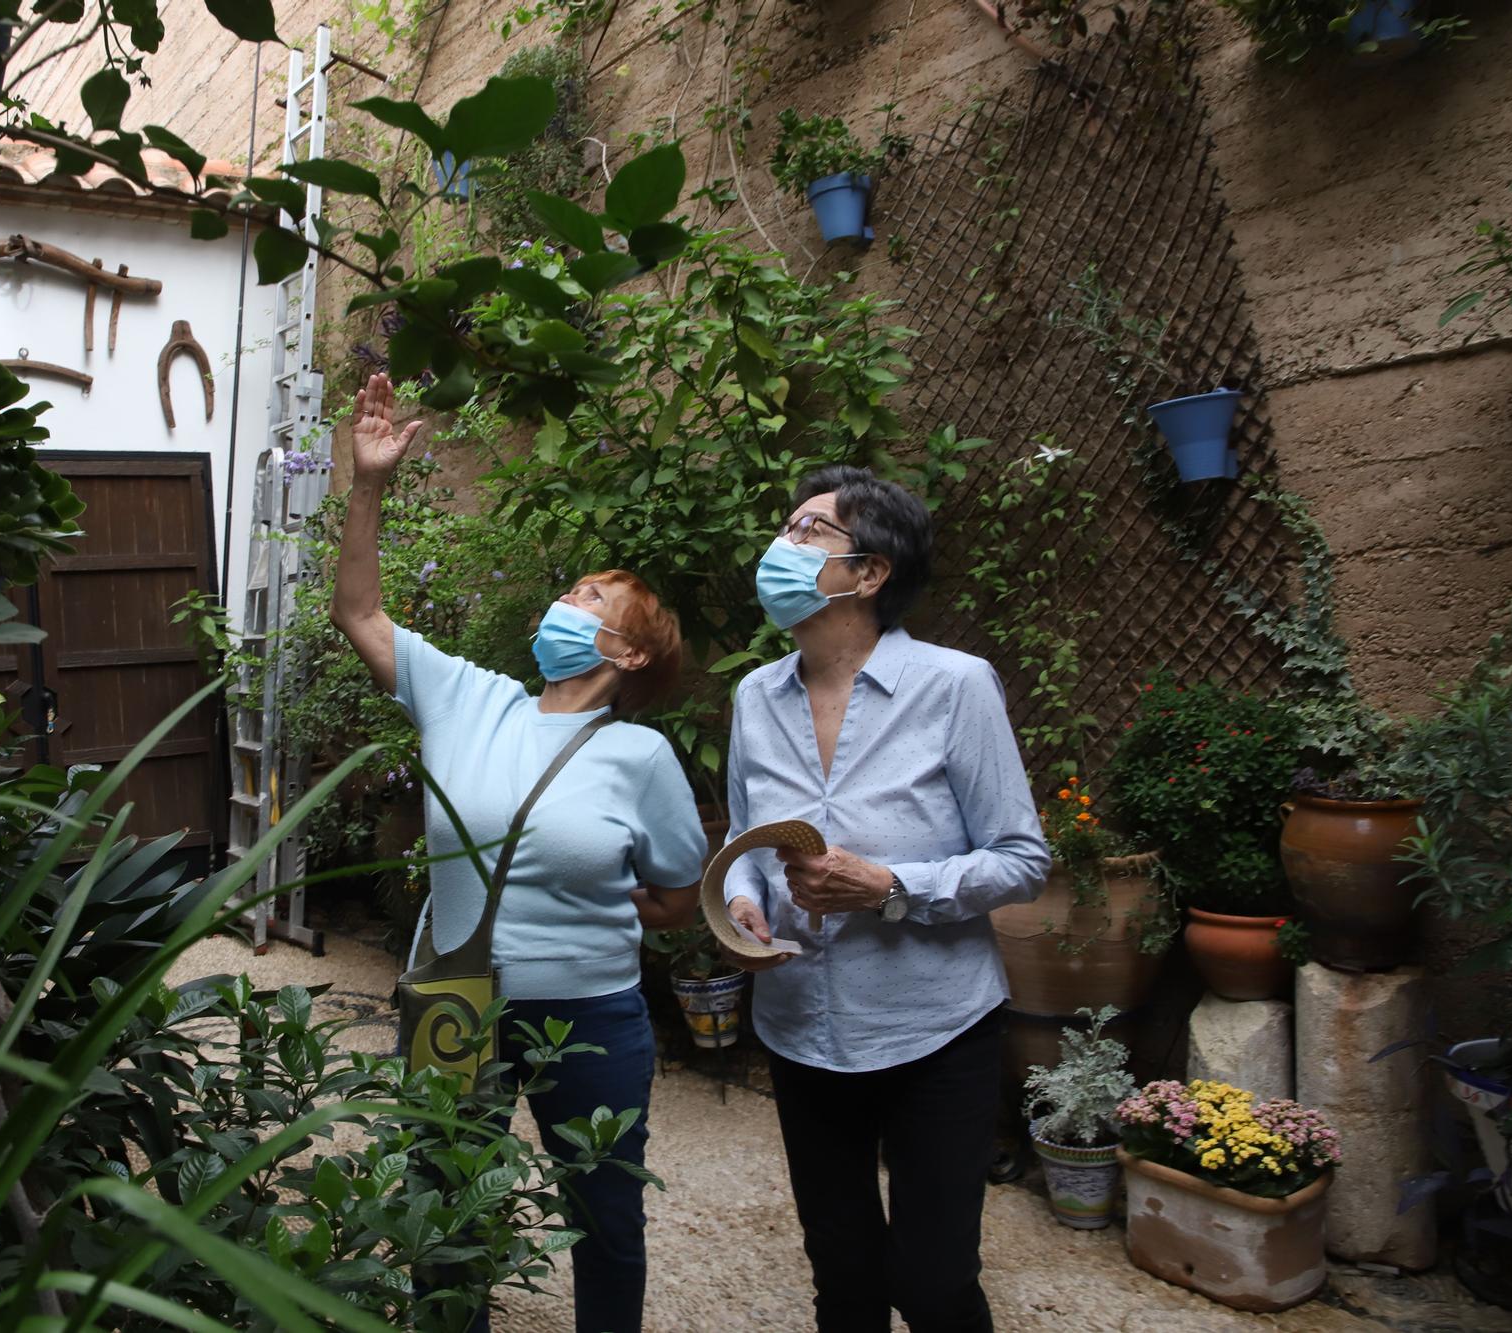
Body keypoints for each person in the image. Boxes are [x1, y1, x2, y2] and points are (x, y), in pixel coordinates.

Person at [330, 373, 707, 1333]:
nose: (564, 602)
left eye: (591, 599)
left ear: (629, 655)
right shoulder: (469, 697)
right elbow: (361, 615)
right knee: (445, 1208)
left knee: (603, 1219)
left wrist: (583, 916)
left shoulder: (642, 754)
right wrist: (367, 483)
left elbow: (676, 894)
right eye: (571, 588)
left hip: (593, 1016)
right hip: (453, 997)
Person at [720, 463, 1050, 1333]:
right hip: (800, 1024)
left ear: (870, 573)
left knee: (936, 1282)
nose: (779, 547)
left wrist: (894, 885)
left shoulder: (956, 685)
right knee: (844, 1274)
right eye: (783, 526)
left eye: (807, 531)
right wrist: (743, 902)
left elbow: (1022, 857)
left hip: (935, 1029)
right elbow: (746, 838)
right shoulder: (754, 697)